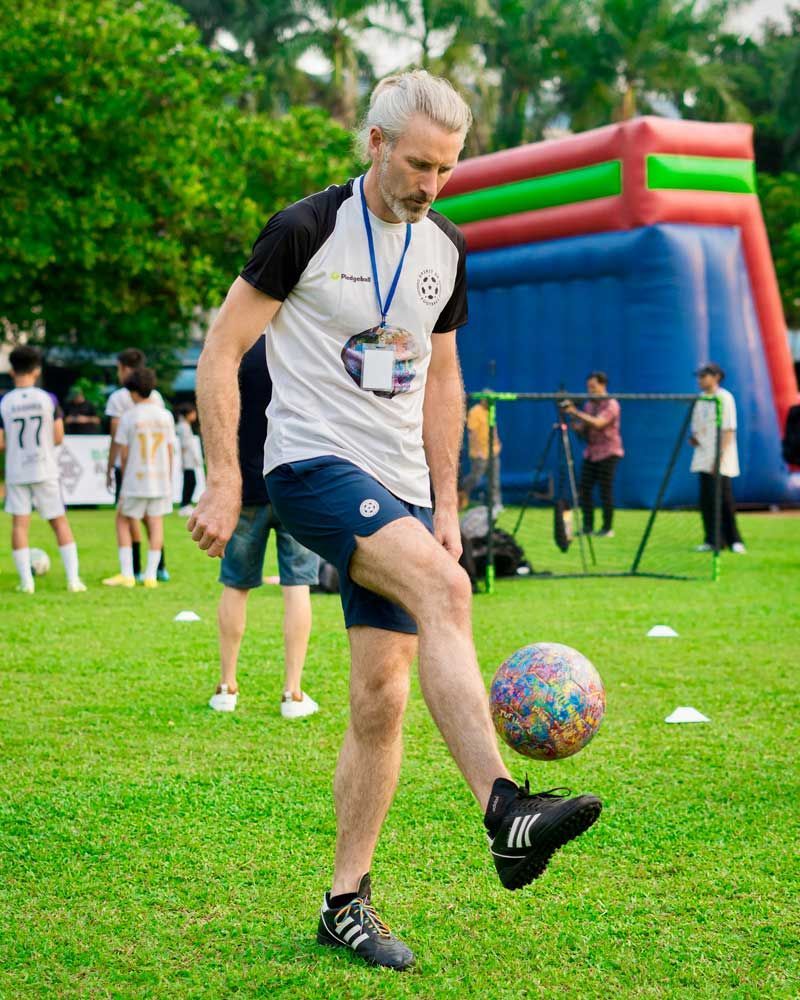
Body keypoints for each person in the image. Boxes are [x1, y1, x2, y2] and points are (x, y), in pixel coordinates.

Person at [188, 70, 601, 972]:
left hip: (406, 486)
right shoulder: (304, 230)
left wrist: (447, 503)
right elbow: (223, 349)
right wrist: (226, 476)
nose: (430, 184)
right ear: (374, 143)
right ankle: (507, 809)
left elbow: (442, 378)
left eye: (447, 170)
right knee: (448, 588)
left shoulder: (443, 249)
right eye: (418, 163)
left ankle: (346, 903)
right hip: (310, 467)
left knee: (381, 698)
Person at [208, 335, 321, 717]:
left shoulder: (235, 350)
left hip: (245, 488)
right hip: (295, 484)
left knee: (236, 584)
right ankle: (293, 692)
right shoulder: (304, 346)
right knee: (297, 585)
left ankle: (226, 686)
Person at [0, 346, 86, 593]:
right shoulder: (47, 399)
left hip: (17, 471)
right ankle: (73, 580)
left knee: (19, 525)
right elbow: (58, 436)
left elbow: (1, 441)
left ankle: (26, 583)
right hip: (44, 468)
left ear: (12, 369)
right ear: (36, 370)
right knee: (59, 522)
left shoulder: (5, 402)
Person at [103, 348, 169, 584]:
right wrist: (169, 477)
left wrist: (112, 468)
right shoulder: (162, 407)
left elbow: (120, 444)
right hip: (159, 475)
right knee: (154, 520)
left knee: (125, 517)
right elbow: (169, 449)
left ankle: (130, 570)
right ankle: (156, 570)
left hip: (134, 473)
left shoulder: (123, 404)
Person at [689, 362, 745, 553]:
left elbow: (729, 430)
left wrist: (719, 458)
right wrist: (695, 439)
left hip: (720, 459)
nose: (700, 380)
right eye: (699, 377)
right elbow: (697, 426)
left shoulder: (725, 398)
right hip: (703, 456)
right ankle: (712, 539)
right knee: (706, 500)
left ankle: (735, 540)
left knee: (724, 499)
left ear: (716, 377)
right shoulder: (700, 399)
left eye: (704, 376)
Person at [563, 372, 624, 538]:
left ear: (603, 385)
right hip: (591, 453)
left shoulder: (612, 404)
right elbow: (587, 426)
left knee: (605, 490)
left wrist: (575, 412)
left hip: (609, 452)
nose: (590, 390)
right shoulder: (589, 405)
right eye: (588, 387)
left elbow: (599, 423)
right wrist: (578, 426)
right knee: (585, 489)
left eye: (593, 387)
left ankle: (607, 528)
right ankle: (588, 526)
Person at [462, 395, 503, 513]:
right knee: (476, 478)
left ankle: (496, 503)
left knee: (494, 479)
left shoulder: (491, 410)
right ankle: (462, 493)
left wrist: (497, 441)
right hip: (479, 453)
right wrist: (477, 449)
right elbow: (472, 433)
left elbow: (494, 427)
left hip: (493, 450)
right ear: (483, 399)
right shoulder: (475, 411)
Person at [175, 402, 200, 516]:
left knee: (191, 482)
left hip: (189, 460)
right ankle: (185, 505)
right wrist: (184, 461)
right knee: (190, 482)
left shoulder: (185, 426)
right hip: (186, 461)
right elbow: (184, 446)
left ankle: (186, 504)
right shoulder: (183, 427)